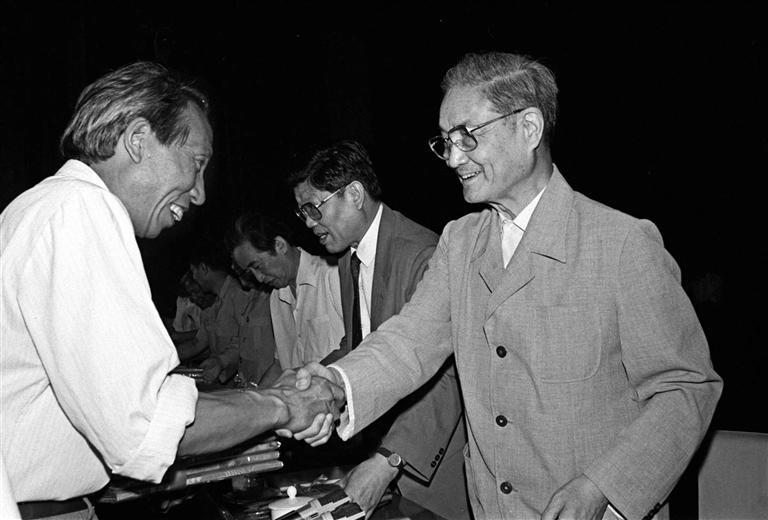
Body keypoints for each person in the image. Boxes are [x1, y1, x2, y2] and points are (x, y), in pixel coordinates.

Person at [294, 52, 723, 520]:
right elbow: (408, 341)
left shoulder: (622, 243)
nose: (453, 158)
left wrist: (602, 487)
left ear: (529, 128)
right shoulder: (459, 242)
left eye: (467, 136)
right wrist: (338, 383)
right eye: (445, 141)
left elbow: (685, 389)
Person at [0, 61, 340, 519]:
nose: (199, 193)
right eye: (196, 163)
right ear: (138, 140)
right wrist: (283, 405)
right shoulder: (79, 210)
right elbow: (146, 425)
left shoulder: (45, 208)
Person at [291, 140, 470, 519]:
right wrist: (316, 378)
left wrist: (389, 460)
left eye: (313, 208)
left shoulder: (422, 254)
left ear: (354, 194)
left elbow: (449, 373)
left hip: (427, 465)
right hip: (377, 451)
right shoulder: (348, 259)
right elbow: (360, 344)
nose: (307, 222)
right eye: (302, 212)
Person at [229, 211, 345, 386]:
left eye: (258, 266)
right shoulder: (276, 297)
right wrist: (256, 397)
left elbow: (357, 347)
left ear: (280, 245)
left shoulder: (332, 276)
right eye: (250, 272)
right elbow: (280, 365)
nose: (258, 278)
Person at [176, 237, 270, 384]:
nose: (194, 277)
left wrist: (221, 361)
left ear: (203, 268)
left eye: (194, 271)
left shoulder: (240, 295)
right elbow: (197, 342)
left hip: (261, 383)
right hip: (243, 383)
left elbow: (246, 343)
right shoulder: (214, 305)